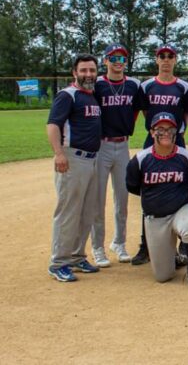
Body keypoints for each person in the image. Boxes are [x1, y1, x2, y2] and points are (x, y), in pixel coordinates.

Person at [125, 112, 188, 293]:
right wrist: (158, 198)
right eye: (160, 129)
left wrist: (178, 196)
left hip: (182, 209)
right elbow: (133, 187)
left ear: (177, 132)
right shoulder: (140, 160)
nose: (165, 133)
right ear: (151, 131)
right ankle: (174, 257)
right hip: (156, 216)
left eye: (170, 129)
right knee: (163, 276)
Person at [134, 44, 188, 265]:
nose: (167, 60)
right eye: (163, 56)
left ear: (175, 60)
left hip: (176, 140)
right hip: (153, 140)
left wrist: (176, 133)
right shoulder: (147, 86)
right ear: (157, 59)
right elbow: (144, 112)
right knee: (149, 190)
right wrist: (157, 133)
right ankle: (145, 245)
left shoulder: (184, 87)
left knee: (181, 189)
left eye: (171, 56)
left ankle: (183, 244)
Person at [46, 55, 102, 282]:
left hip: (91, 159)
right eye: (84, 70)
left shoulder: (91, 96)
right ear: (74, 73)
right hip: (72, 157)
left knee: (87, 211)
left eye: (92, 70)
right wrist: (59, 153)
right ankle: (58, 262)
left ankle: (77, 256)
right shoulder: (67, 95)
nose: (88, 74)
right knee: (68, 212)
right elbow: (52, 125)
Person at [91, 44, 142, 266]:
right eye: (113, 57)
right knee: (98, 199)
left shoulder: (133, 85)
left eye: (122, 57)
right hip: (101, 145)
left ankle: (119, 243)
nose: (118, 61)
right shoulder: (97, 84)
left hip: (123, 144)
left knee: (122, 198)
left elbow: (137, 110)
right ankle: (97, 247)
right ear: (106, 61)